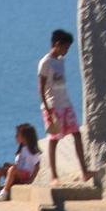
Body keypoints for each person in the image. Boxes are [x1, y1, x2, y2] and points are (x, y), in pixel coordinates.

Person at [37, 29, 93, 183]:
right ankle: (54, 175)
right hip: (53, 105)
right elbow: (41, 88)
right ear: (57, 44)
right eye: (65, 47)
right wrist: (48, 110)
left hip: (65, 103)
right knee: (54, 139)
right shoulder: (45, 62)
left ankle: (84, 171)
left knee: (77, 134)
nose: (66, 51)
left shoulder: (60, 61)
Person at [0, 124, 42, 202]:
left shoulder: (32, 151)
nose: (15, 137)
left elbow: (37, 166)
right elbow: (19, 166)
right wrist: (10, 165)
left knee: (12, 169)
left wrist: (30, 180)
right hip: (18, 174)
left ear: (25, 137)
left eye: (17, 135)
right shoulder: (22, 149)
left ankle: (4, 192)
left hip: (25, 176)